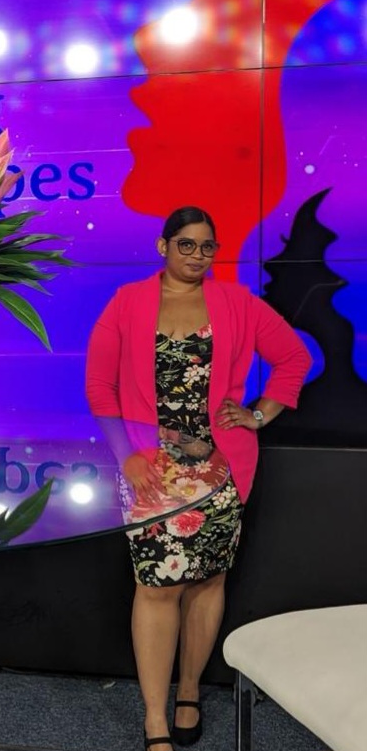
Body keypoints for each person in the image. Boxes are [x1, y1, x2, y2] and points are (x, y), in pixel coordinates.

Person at [85, 206, 311, 751]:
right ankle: (155, 718)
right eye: (186, 244)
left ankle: (189, 691)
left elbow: (293, 359)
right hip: (149, 470)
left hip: (220, 471)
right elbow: (100, 387)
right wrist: (126, 456)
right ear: (163, 246)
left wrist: (257, 415)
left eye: (207, 246)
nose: (197, 255)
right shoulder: (127, 302)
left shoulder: (237, 302)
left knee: (208, 582)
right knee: (155, 587)